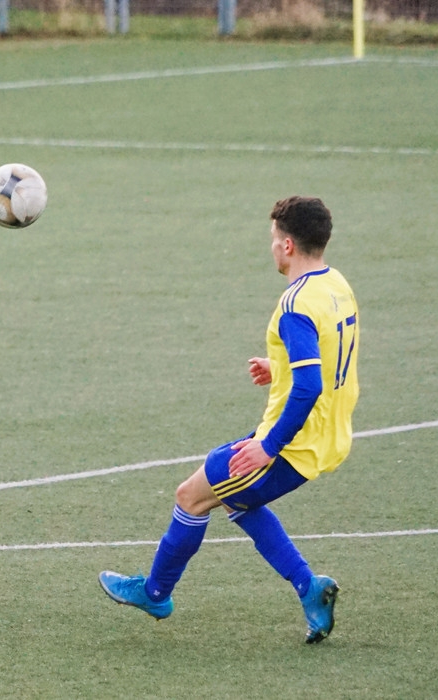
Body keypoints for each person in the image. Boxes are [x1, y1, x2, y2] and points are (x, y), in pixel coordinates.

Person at [99, 196, 360, 643]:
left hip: (291, 442)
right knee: (237, 500)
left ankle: (155, 592)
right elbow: (329, 356)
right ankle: (309, 588)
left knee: (191, 496)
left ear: (288, 245)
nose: (272, 246)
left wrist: (269, 447)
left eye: (274, 238)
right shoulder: (336, 285)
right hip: (328, 435)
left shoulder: (295, 304)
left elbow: (309, 387)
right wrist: (280, 367)